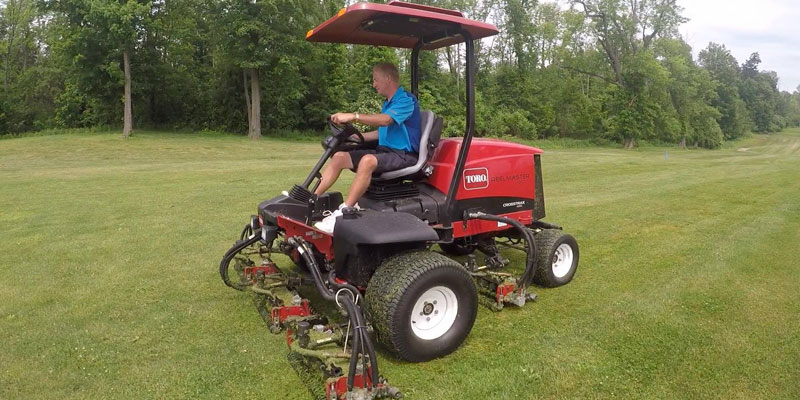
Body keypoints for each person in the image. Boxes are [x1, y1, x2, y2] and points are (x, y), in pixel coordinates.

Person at [313, 62, 421, 233]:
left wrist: (354, 117)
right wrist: (356, 137)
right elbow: (381, 132)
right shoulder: (388, 103)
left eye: (376, 80)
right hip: (386, 151)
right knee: (340, 156)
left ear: (388, 78)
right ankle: (310, 199)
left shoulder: (406, 100)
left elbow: (385, 120)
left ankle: (346, 210)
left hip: (404, 154)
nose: (374, 84)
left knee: (367, 160)